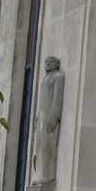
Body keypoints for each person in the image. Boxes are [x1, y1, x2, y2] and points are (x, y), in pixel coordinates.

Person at [32, 56, 64, 184]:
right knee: (39, 147)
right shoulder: (45, 79)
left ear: (56, 64)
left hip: (49, 117)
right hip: (42, 117)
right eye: (46, 61)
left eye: (50, 62)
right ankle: (39, 174)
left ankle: (47, 175)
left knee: (47, 146)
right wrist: (38, 116)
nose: (47, 64)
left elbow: (57, 99)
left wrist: (54, 116)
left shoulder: (58, 77)